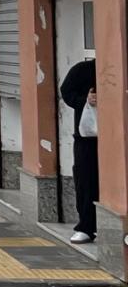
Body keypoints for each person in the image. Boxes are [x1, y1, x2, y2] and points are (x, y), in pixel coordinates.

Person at [62, 56, 99, 244]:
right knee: (86, 181)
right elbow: (66, 92)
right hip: (87, 138)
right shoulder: (83, 69)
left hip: (117, 137)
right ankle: (86, 226)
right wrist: (85, 100)